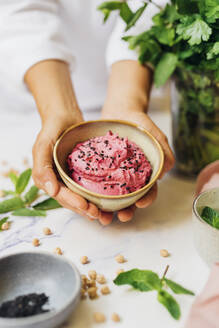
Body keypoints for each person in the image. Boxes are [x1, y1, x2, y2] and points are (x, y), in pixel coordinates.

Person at [0, 0, 174, 225]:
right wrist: (58, 111)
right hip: (39, 87)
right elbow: (20, 11)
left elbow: (152, 6)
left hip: (137, 78)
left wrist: (126, 103)